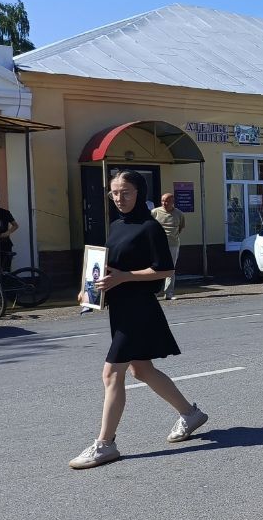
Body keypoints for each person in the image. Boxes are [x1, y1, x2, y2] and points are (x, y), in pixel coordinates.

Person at [68, 171, 208, 469]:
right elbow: (108, 266)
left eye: (125, 192)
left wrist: (123, 278)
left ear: (139, 193)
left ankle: (105, 444)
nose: (119, 198)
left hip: (139, 308)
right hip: (120, 308)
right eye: (114, 193)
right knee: (141, 370)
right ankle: (190, 413)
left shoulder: (150, 227)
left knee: (111, 374)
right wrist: (88, 290)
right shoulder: (117, 225)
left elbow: (165, 270)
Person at [150, 192, 187, 300]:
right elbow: (149, 227)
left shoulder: (179, 214)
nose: (164, 203)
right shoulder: (154, 212)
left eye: (167, 201)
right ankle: (154, 292)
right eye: (162, 201)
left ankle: (169, 293)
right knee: (156, 268)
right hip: (157, 245)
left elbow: (180, 228)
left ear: (173, 202)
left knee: (170, 269)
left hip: (173, 245)